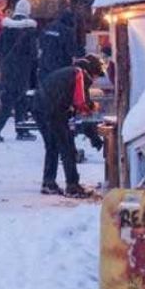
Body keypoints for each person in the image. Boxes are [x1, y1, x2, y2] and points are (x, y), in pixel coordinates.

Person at [37, 55, 104, 199]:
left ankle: (48, 182)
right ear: (92, 70)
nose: (95, 80)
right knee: (67, 146)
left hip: (41, 106)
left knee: (53, 146)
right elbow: (81, 102)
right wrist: (92, 107)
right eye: (96, 75)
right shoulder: (79, 73)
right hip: (53, 110)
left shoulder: (69, 71)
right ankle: (72, 186)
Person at [0, 0, 40, 142]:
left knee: (11, 100)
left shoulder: (6, 28)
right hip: (23, 70)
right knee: (18, 101)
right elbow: (33, 54)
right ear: (28, 12)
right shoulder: (29, 30)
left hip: (8, 69)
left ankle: (19, 130)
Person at [39, 10, 81, 80]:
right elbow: (70, 50)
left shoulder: (48, 27)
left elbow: (41, 43)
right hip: (59, 67)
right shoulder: (67, 31)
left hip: (45, 66)